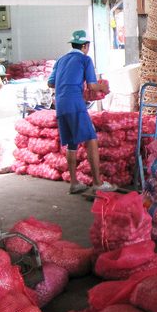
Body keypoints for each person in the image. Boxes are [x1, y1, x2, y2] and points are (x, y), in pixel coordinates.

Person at [48, 30, 112, 196]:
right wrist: (103, 87)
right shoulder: (85, 59)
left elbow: (51, 83)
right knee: (91, 138)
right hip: (75, 103)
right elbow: (92, 85)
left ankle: (74, 183)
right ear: (85, 46)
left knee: (72, 143)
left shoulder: (61, 60)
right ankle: (98, 183)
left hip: (60, 104)